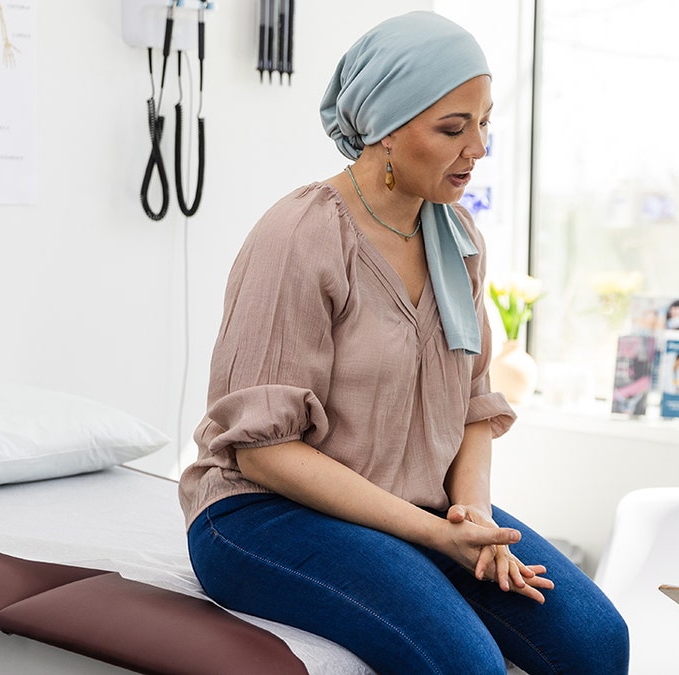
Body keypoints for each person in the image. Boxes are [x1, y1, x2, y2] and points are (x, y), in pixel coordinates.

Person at [177, 12, 628, 674]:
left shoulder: (458, 239)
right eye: (453, 128)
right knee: (467, 663)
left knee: (597, 638)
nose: (478, 147)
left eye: (484, 122)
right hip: (262, 515)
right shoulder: (299, 237)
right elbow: (262, 450)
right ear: (387, 130)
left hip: (419, 508)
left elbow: (475, 406)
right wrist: (432, 534)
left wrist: (470, 514)